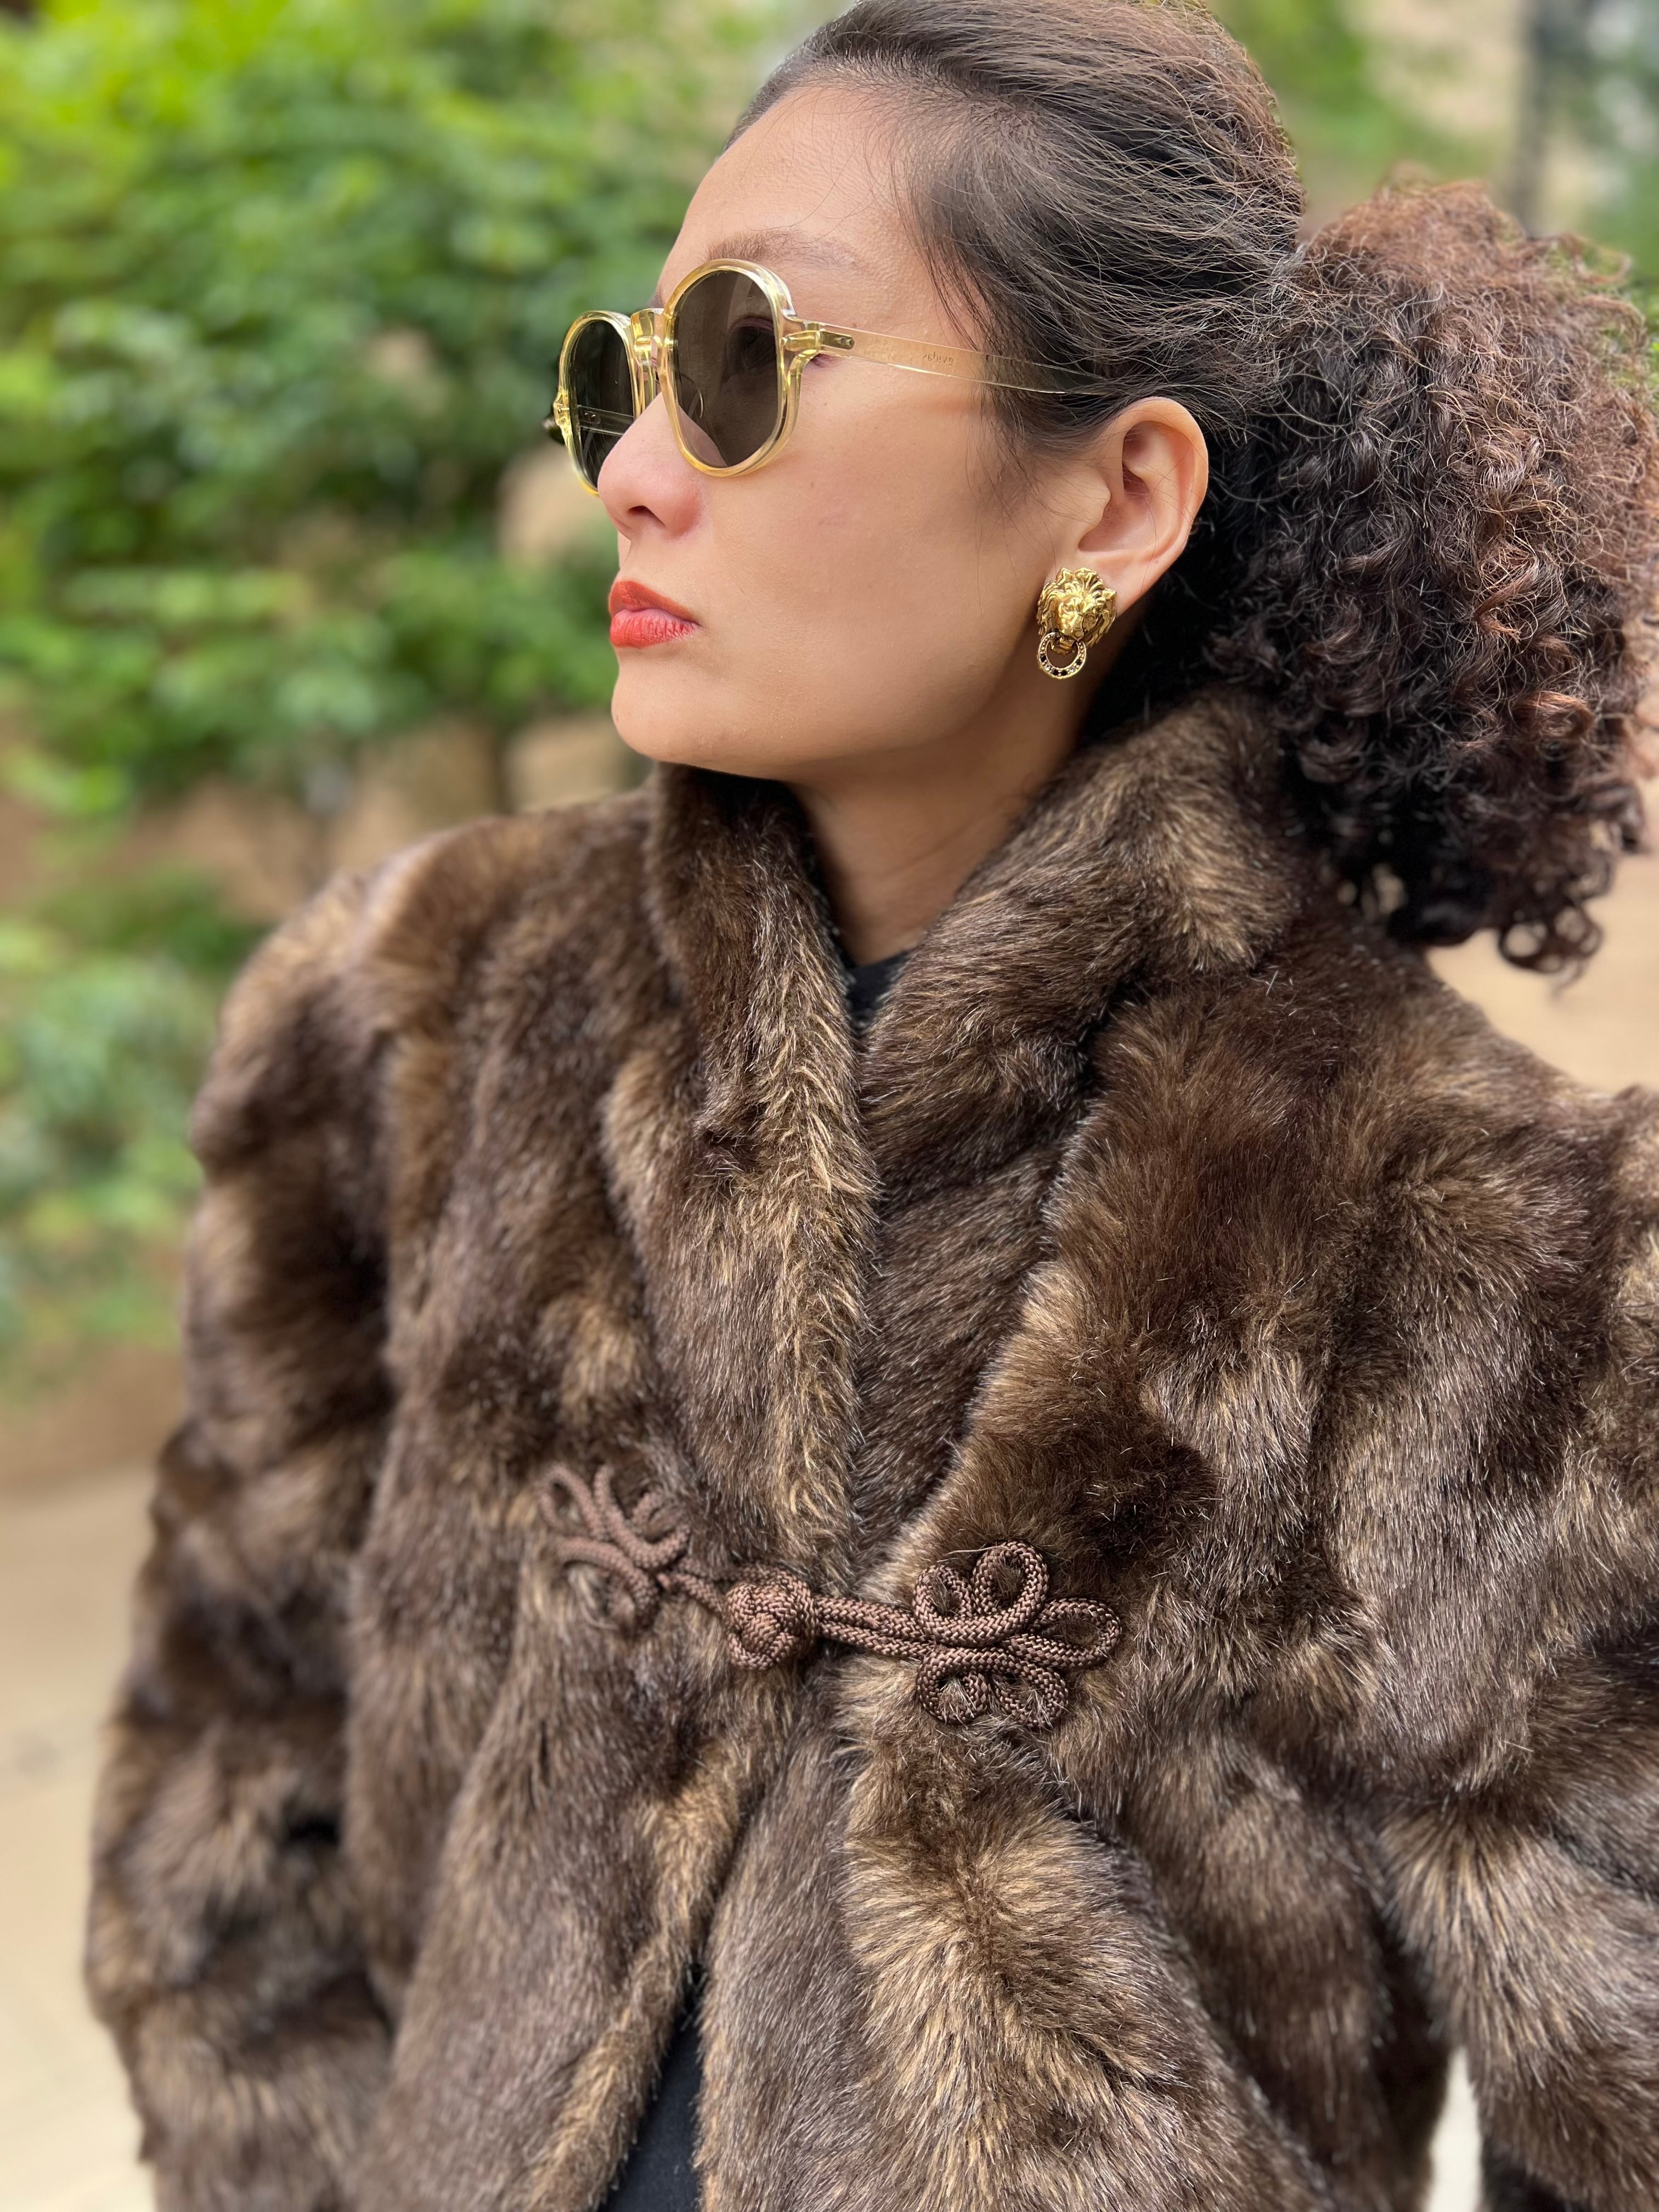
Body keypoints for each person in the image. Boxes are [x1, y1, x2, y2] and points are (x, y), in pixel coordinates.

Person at [84, 2, 1659, 2207]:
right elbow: (224, 1791)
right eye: (625, 373)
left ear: (1117, 496)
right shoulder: (416, 1024)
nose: (634, 466)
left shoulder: (1490, 1240)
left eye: (745, 360)